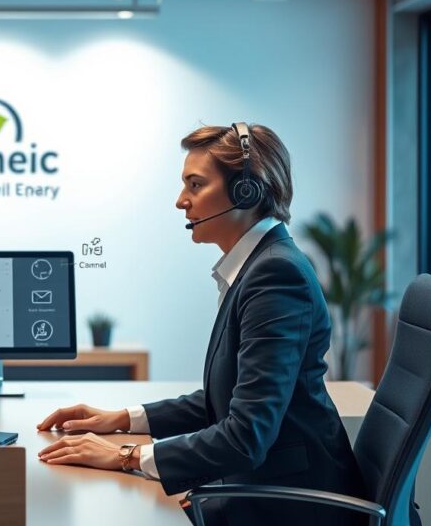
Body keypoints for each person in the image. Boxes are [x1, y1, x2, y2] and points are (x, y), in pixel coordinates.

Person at [36, 123, 366, 526]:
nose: (181, 201)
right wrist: (121, 419)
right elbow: (223, 399)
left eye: (195, 185)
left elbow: (246, 435)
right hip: (263, 485)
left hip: (290, 505)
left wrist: (126, 456)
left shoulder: (277, 275)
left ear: (247, 192)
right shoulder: (259, 266)